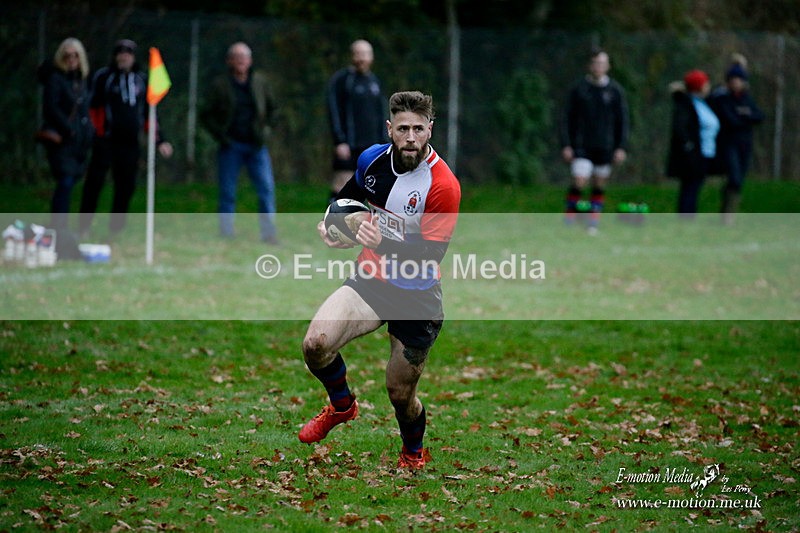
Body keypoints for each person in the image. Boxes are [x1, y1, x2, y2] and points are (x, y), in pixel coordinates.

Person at [298, 91, 461, 470]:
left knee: (400, 394)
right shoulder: (371, 159)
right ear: (389, 128)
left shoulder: (443, 186)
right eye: (402, 128)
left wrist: (382, 241)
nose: (410, 137)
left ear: (430, 130)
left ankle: (412, 452)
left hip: (416, 298)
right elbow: (349, 197)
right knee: (315, 344)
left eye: (418, 129)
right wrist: (332, 225)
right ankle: (342, 406)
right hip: (371, 281)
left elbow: (431, 255)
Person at [79, 39, 173, 239]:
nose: (124, 56)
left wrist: (159, 140)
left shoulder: (142, 80)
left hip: (130, 143)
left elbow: (150, 113)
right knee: (94, 183)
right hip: (106, 140)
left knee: (126, 186)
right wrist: (94, 133)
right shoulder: (103, 77)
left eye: (128, 52)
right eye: (120, 52)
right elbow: (92, 107)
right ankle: (84, 226)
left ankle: (116, 229)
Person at [200, 42, 279, 243]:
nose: (241, 60)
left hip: (256, 147)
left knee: (266, 190)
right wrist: (221, 136)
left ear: (250, 60)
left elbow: (273, 110)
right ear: (229, 61)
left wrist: (265, 131)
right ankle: (226, 233)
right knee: (227, 192)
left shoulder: (260, 82)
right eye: (237, 56)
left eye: (244, 57)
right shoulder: (220, 85)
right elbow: (205, 114)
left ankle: (268, 234)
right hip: (231, 146)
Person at [560, 49, 629, 235]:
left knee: (599, 183)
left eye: (602, 63)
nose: (598, 67)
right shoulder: (579, 90)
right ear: (589, 66)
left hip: (605, 147)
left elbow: (622, 121)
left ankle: (592, 221)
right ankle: (570, 217)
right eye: (595, 63)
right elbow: (567, 118)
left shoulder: (615, 91)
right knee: (580, 180)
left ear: (608, 66)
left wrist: (621, 146)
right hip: (582, 146)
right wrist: (566, 144)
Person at [37, 37, 93, 231]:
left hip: (79, 143)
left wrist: (87, 133)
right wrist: (69, 130)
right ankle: (58, 227)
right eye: (67, 55)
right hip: (62, 141)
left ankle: (58, 226)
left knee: (70, 182)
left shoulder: (82, 81)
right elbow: (51, 108)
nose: (71, 59)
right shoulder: (55, 79)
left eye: (75, 55)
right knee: (65, 181)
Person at [326, 39, 386, 203]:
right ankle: (330, 224)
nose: (362, 58)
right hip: (349, 145)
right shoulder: (342, 80)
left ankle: (356, 226)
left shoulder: (374, 82)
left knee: (369, 187)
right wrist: (340, 141)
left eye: (366, 54)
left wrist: (383, 142)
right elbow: (334, 111)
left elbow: (381, 114)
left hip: (371, 146)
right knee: (342, 184)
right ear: (352, 56)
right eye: (358, 54)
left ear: (372, 57)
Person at [709, 55, 764, 224]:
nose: (735, 83)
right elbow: (731, 119)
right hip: (729, 143)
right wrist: (745, 116)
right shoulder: (723, 98)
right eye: (732, 80)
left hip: (744, 144)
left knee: (739, 179)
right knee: (734, 177)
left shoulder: (746, 98)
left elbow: (759, 116)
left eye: (738, 79)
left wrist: (744, 116)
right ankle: (726, 214)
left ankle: (729, 212)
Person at [666, 69, 720, 217]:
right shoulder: (687, 104)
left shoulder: (705, 102)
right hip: (693, 155)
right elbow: (682, 128)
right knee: (689, 187)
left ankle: (690, 216)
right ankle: (686, 218)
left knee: (695, 187)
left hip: (704, 152)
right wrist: (689, 146)